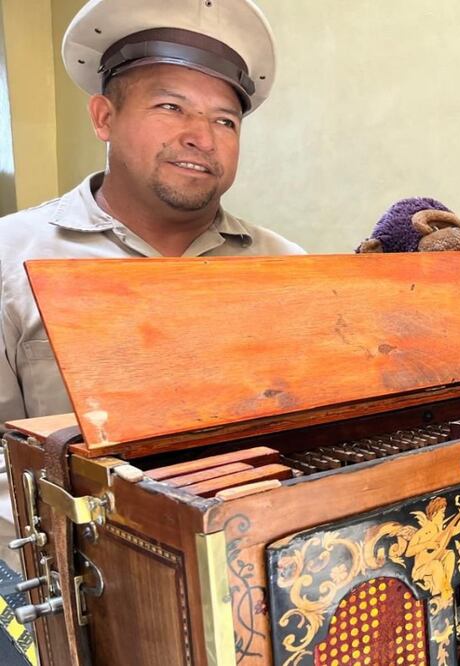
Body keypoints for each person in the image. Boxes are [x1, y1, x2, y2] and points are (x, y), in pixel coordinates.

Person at [0, 0, 303, 563]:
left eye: (224, 120)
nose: (201, 137)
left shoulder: (287, 266)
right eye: (171, 106)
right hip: (71, 590)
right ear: (104, 118)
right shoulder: (8, 259)